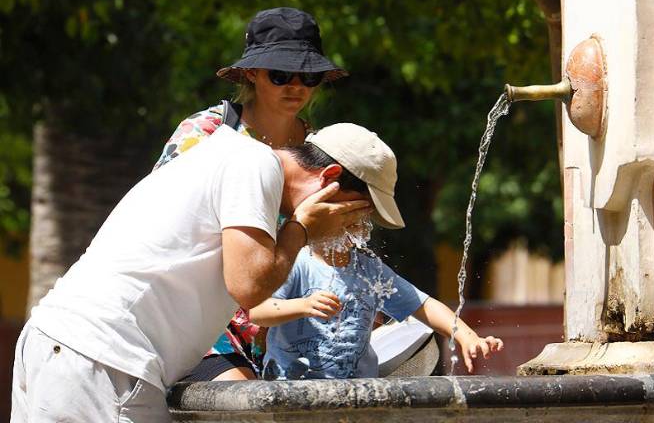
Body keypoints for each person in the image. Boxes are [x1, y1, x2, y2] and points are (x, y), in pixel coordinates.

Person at [11, 122, 385, 422]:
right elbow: (249, 287)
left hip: (67, 347)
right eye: (358, 213)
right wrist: (301, 230)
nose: (353, 229)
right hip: (102, 360)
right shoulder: (254, 164)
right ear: (329, 177)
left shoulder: (228, 155)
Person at [153, 7, 348, 382]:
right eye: (280, 74)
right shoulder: (207, 133)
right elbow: (159, 223)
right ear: (252, 73)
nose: (296, 86)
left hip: (274, 328)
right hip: (198, 319)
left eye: (308, 76)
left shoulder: (314, 147)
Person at [252, 125, 504, 379]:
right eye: (349, 212)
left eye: (365, 215)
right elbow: (258, 311)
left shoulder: (368, 270)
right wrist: (302, 306)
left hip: (356, 397)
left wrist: (466, 334)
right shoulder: (296, 260)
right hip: (289, 394)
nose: (358, 221)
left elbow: (423, 304)